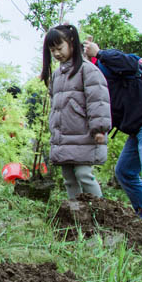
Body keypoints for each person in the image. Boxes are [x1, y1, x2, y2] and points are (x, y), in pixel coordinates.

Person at [84, 38, 142, 225]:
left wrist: (99, 53)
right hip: (139, 127)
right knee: (125, 171)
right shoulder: (92, 80)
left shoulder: (106, 62)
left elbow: (131, 63)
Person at [41, 24, 111, 199]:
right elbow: (56, 108)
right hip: (64, 138)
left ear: (71, 42)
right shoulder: (57, 75)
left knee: (84, 174)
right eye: (52, 50)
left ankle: (99, 213)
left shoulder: (87, 70)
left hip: (85, 135)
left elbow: (98, 101)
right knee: (68, 178)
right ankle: (76, 213)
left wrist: (100, 129)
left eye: (59, 48)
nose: (57, 54)